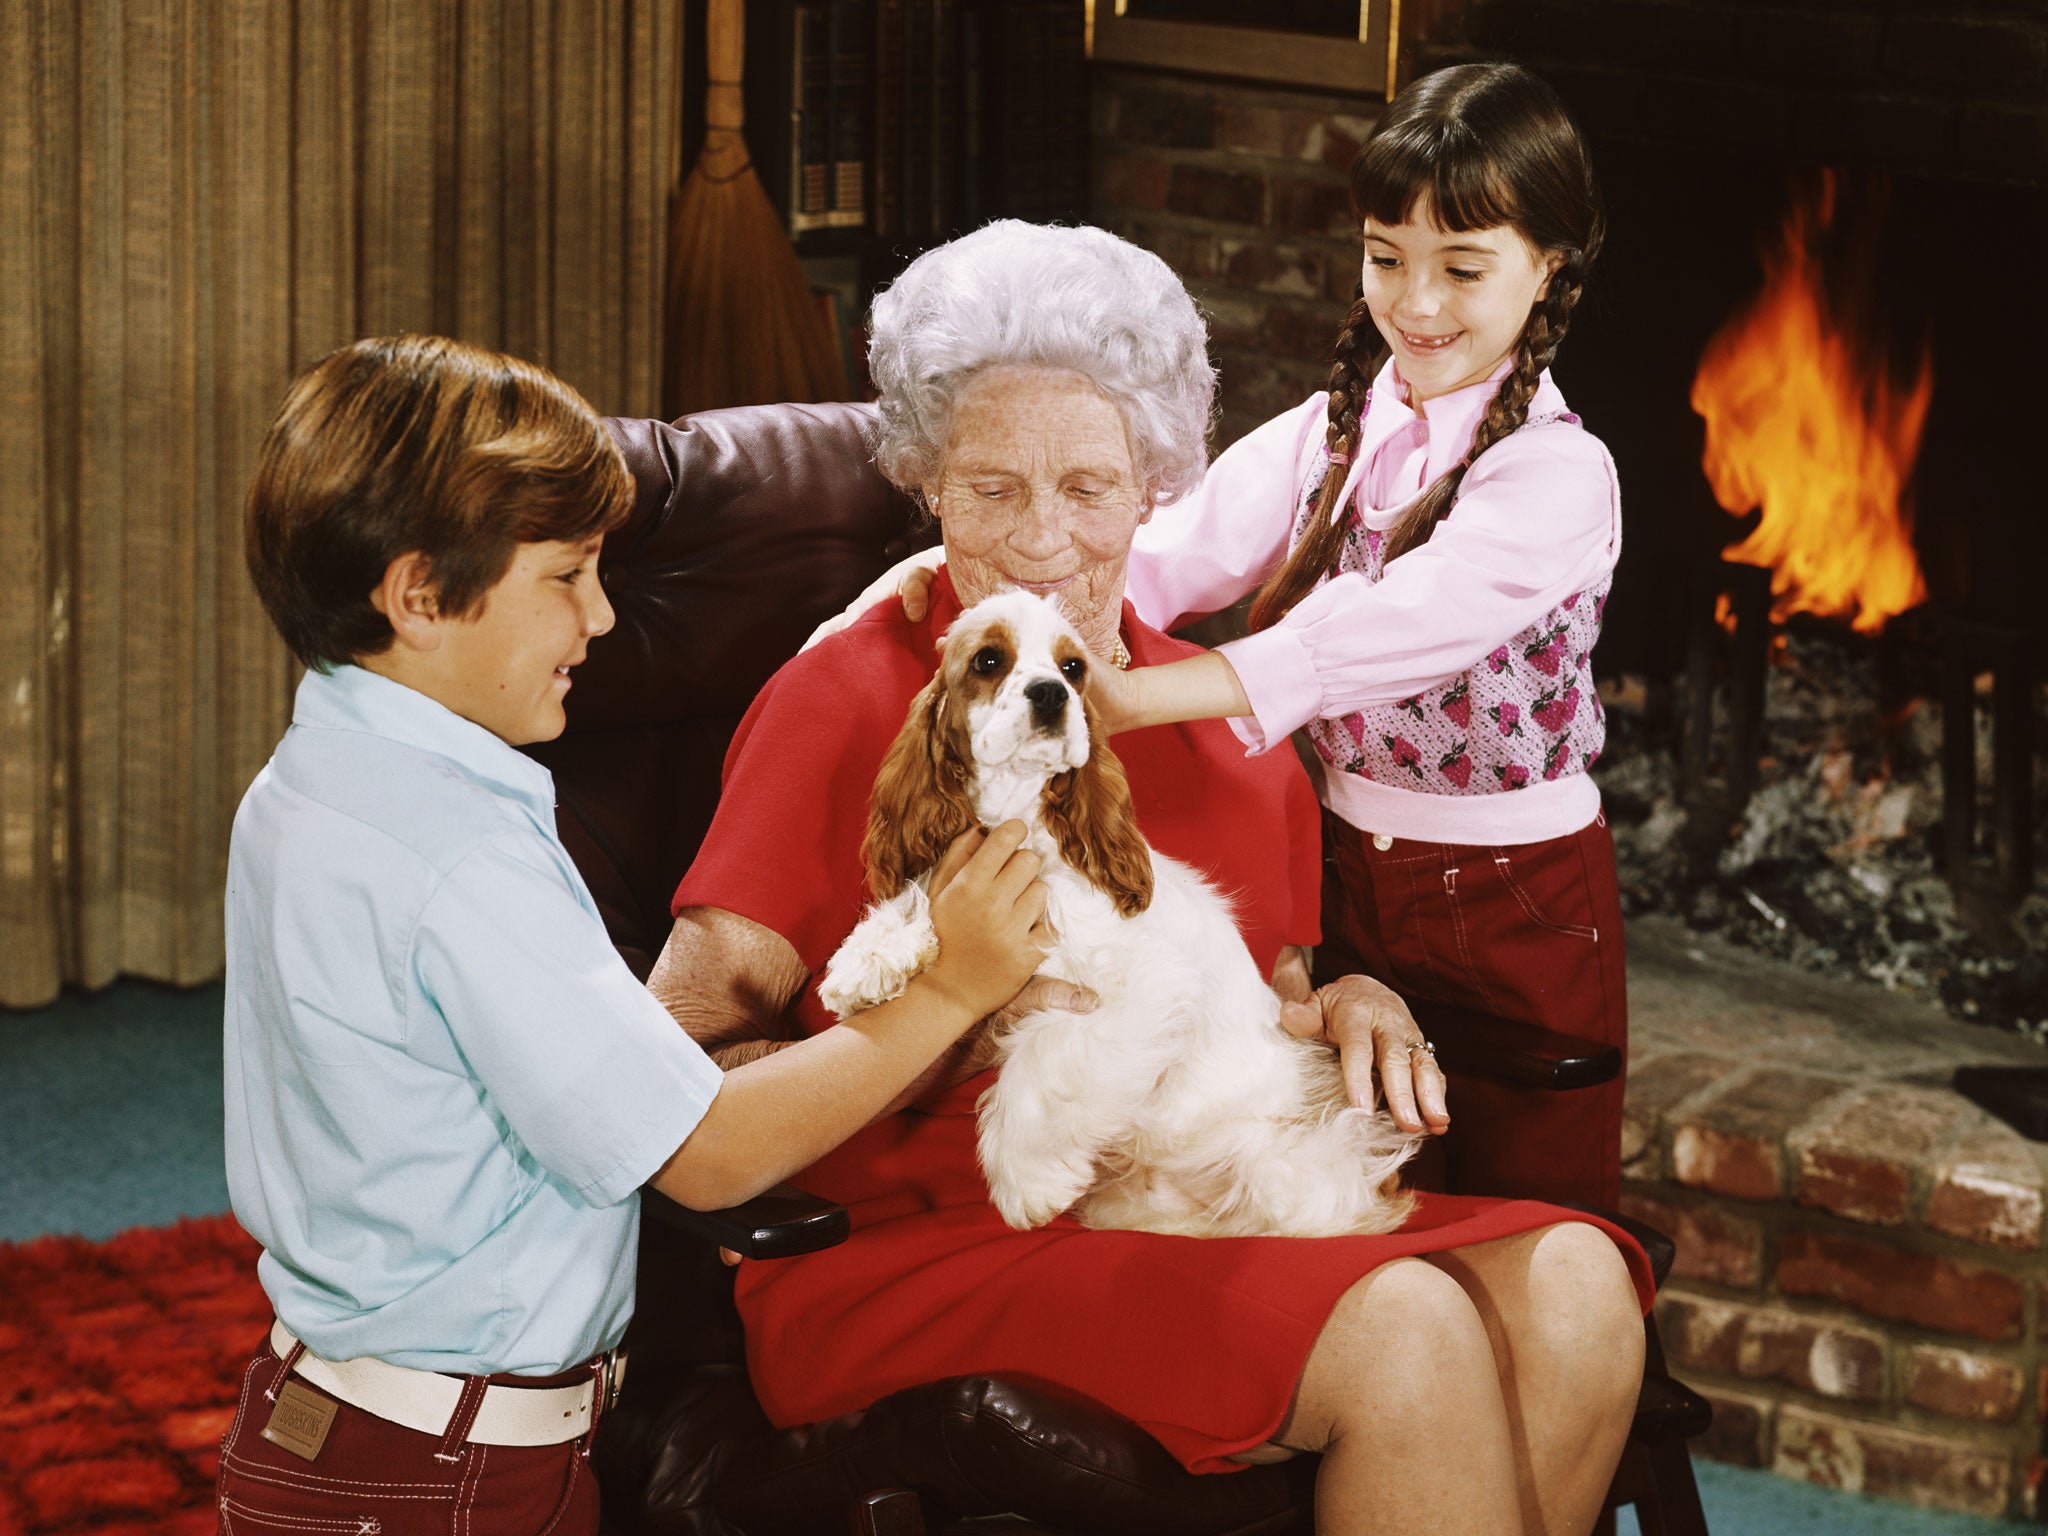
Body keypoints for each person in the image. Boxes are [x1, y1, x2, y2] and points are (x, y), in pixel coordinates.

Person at [658, 222, 1652, 1535]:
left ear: (1154, 496)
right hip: (911, 1250)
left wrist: (1345, 1004)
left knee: (1581, 1284)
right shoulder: (841, 701)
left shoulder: (1222, 736)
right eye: (991, 488)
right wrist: (946, 994)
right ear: (927, 490)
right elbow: (675, 1098)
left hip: (1187, 1207)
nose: (1038, 541)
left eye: (1086, 486)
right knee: (1404, 1328)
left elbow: (1257, 1015)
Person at [218, 334, 1048, 1536]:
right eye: (564, 575)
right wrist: (950, 987)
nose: (602, 616)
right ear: (417, 595)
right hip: (442, 1482)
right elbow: (703, 1153)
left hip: (344, 1433)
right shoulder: (457, 855)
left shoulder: (315, 779)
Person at [832, 62, 1628, 1212]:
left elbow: (1377, 630)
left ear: (1547, 265)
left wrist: (1142, 698)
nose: (1414, 305)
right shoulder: (1331, 430)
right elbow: (1156, 553)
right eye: (1383, 258)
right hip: (1355, 879)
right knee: (1387, 1193)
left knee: (1536, 1207)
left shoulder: (1559, 474)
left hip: (1516, 900)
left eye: (1461, 269)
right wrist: (973, 584)